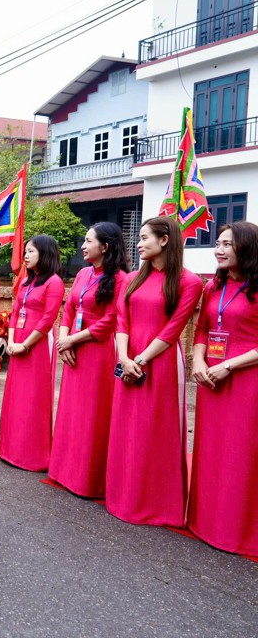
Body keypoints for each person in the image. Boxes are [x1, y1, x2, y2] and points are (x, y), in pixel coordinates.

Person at [107, 216, 203, 527]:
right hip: (128, 360)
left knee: (154, 432)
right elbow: (122, 321)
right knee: (127, 428)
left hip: (160, 364)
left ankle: (155, 503)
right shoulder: (133, 278)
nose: (138, 243)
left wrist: (142, 361)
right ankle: (123, 497)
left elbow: (173, 329)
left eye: (145, 237)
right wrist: (124, 358)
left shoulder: (190, 282)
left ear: (165, 240)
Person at [188, 221, 258, 555]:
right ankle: (206, 521)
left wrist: (227, 366)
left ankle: (235, 530)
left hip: (246, 381)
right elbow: (201, 329)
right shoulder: (212, 288)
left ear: (246, 247)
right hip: (210, 378)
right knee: (211, 448)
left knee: (239, 454)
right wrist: (199, 363)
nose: (218, 249)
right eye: (217, 243)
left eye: (227, 244)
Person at [49, 223, 128, 497]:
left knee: (92, 414)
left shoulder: (120, 279)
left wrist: (73, 339)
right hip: (74, 348)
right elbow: (69, 308)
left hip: (98, 352)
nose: (83, 245)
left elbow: (112, 320)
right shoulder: (83, 273)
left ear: (105, 246)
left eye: (88, 240)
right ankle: (64, 471)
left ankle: (88, 479)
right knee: (72, 412)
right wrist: (63, 340)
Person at [0, 234, 65, 472]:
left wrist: (26, 345)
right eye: (25, 251)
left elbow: (48, 319)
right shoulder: (26, 281)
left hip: (37, 343)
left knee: (34, 398)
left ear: (45, 254)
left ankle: (32, 455)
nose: (25, 255)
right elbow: (15, 313)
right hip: (19, 341)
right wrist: (13, 341)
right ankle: (10, 449)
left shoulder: (53, 282)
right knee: (16, 395)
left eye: (31, 251)